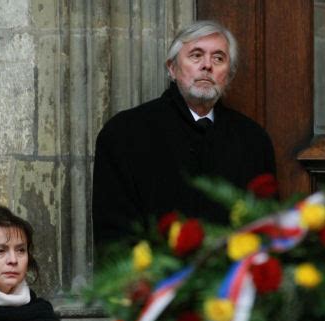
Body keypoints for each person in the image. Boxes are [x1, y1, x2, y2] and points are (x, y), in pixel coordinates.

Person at [92, 20, 276, 250]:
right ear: (172, 68)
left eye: (219, 58)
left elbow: (266, 226)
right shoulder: (124, 134)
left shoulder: (253, 141)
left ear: (228, 75)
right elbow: (112, 234)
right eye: (196, 55)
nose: (207, 65)